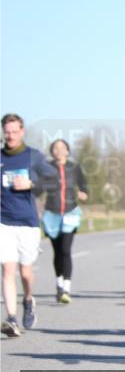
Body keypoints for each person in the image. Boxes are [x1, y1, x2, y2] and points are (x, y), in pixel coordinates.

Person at [1, 114, 50, 336]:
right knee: (7, 269)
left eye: (14, 132)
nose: (10, 136)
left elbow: (51, 181)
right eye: (7, 132)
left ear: (22, 132)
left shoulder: (34, 156)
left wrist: (32, 184)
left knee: (25, 271)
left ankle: (28, 299)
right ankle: (11, 318)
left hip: (28, 222)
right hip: (4, 221)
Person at [38, 138, 89, 303]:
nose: (59, 150)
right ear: (52, 152)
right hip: (51, 213)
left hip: (70, 212)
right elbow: (38, 188)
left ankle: (66, 288)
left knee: (66, 250)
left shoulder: (74, 168)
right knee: (58, 251)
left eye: (62, 147)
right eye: (55, 148)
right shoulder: (47, 168)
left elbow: (84, 186)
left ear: (67, 151)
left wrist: (84, 193)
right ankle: (59, 283)